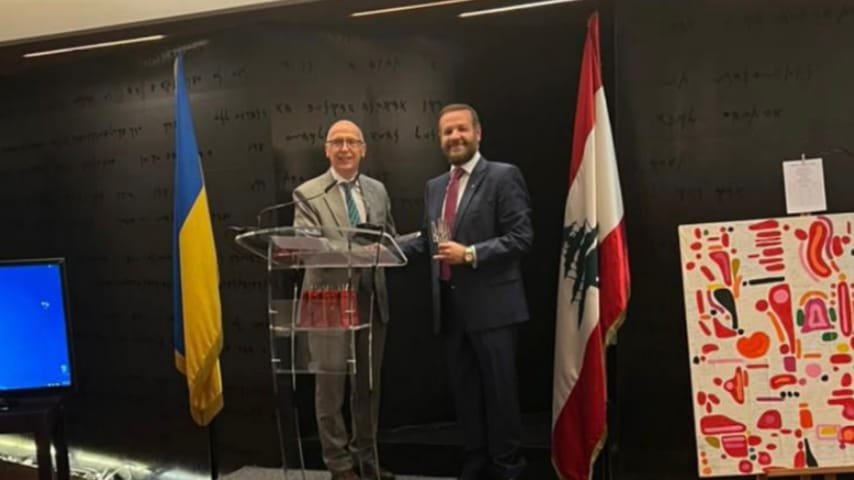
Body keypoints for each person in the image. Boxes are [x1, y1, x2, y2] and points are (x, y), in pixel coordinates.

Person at [405, 104, 532, 479]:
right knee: (465, 391)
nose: (454, 137)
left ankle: (508, 466)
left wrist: (471, 254)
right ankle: (475, 460)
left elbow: (521, 237)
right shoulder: (435, 187)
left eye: (461, 129)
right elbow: (430, 239)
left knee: (500, 392)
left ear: (478, 133)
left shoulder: (503, 176)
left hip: (494, 308)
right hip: (450, 307)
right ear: (439, 139)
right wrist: (384, 247)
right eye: (447, 132)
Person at [292, 119, 396, 480]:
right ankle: (338, 465)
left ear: (363, 149)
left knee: (367, 387)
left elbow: (389, 237)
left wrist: (392, 247)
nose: (345, 148)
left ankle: (365, 457)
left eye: (352, 141)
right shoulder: (307, 192)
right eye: (337, 142)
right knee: (330, 388)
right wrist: (357, 252)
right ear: (326, 150)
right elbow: (309, 245)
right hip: (327, 299)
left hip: (370, 298)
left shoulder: (378, 191)